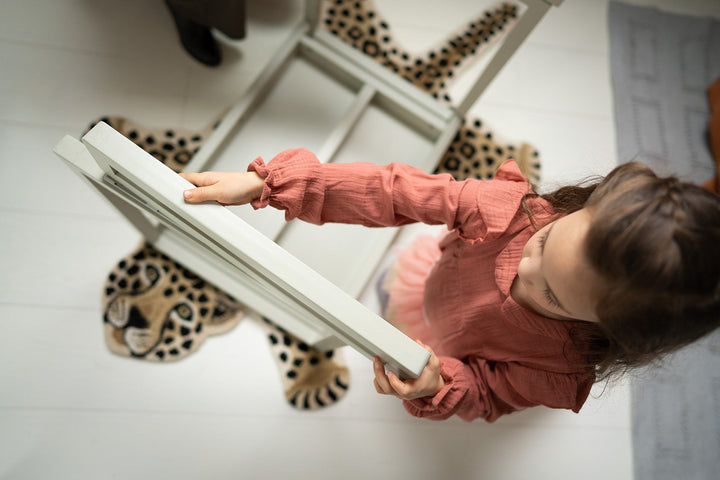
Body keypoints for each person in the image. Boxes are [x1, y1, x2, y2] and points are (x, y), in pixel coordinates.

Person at [179, 148, 720, 422]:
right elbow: (391, 192)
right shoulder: (511, 214)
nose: (521, 275)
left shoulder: (558, 369)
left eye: (552, 295)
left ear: (610, 329)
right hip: (432, 287)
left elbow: (487, 391)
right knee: (401, 297)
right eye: (545, 244)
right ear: (582, 207)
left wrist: (440, 387)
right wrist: (272, 185)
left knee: (417, 338)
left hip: (459, 350)